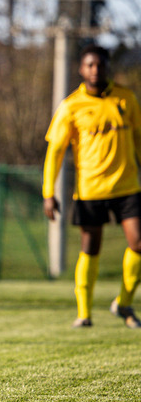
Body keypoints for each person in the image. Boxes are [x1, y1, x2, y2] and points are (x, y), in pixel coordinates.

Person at [43, 44, 141, 329]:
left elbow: (138, 138)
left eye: (100, 64)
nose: (95, 70)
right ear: (81, 69)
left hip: (127, 186)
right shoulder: (71, 106)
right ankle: (84, 313)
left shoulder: (126, 99)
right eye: (90, 65)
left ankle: (123, 303)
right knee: (90, 247)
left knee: (138, 243)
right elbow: (55, 152)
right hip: (90, 190)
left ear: (108, 67)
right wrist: (48, 192)